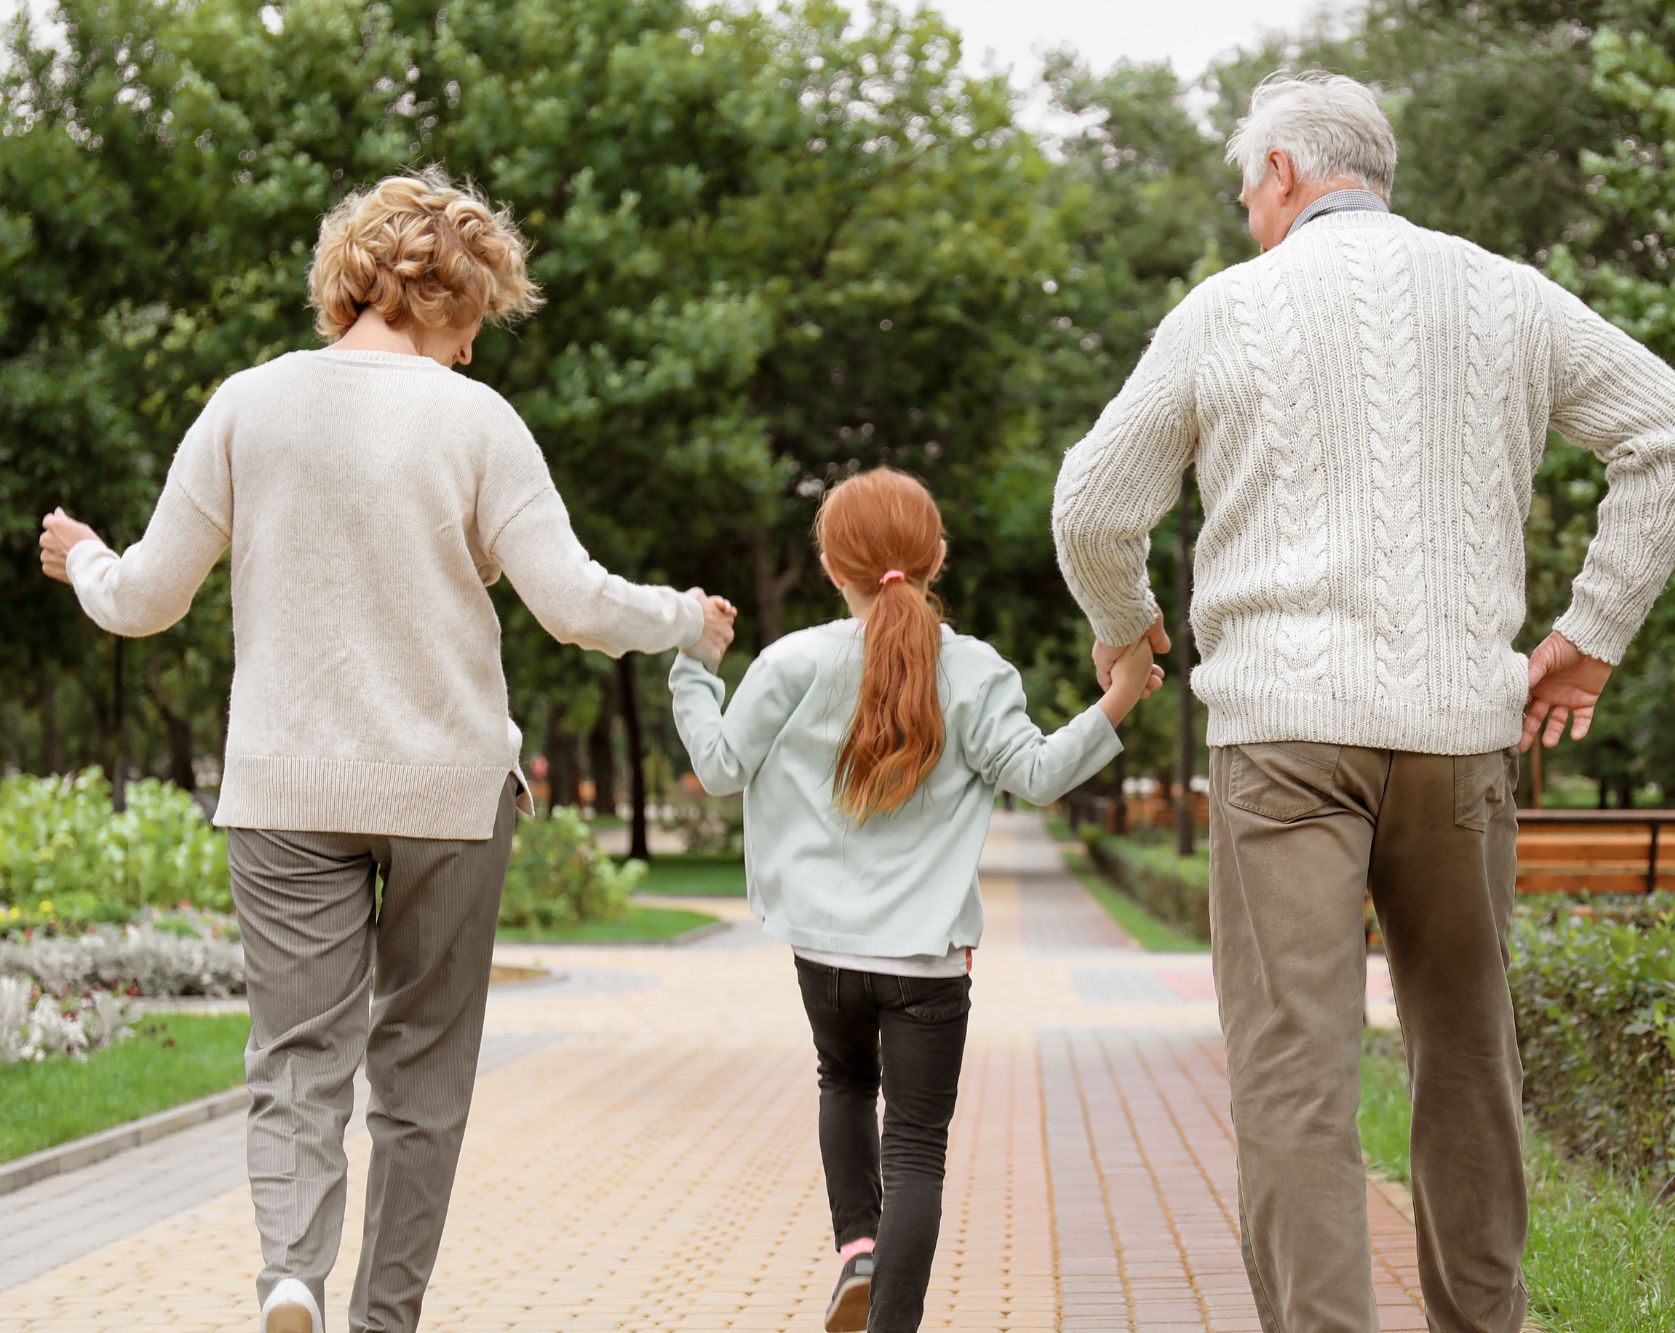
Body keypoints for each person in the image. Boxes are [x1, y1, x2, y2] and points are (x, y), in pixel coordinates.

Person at [1051, 72, 1675, 1333]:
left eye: (1246, 184)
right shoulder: (1504, 295)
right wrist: (1590, 632)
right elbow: (1671, 431)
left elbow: (1091, 507)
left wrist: (1120, 626)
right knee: (1465, 1058)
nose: (1246, 209)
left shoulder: (1226, 310)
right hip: (1460, 739)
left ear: (1288, 174)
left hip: (1282, 742)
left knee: (1291, 1073)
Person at [36, 166, 736, 1333]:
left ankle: (290, 1278)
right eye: (475, 323)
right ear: (447, 297)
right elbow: (572, 602)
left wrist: (89, 561)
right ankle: (383, 1320)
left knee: (296, 1058)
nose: (472, 352)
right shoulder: (475, 422)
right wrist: (686, 618)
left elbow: (146, 598)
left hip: (282, 787)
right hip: (448, 792)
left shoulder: (246, 403)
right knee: (420, 1077)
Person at [668, 467, 1161, 1333]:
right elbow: (1040, 776)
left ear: (831, 563)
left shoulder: (790, 662)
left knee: (844, 1082)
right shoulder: (975, 670)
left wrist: (694, 667)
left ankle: (856, 1249)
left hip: (823, 953)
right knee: (918, 1149)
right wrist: (1118, 696)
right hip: (927, 965)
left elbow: (717, 767)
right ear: (936, 556)